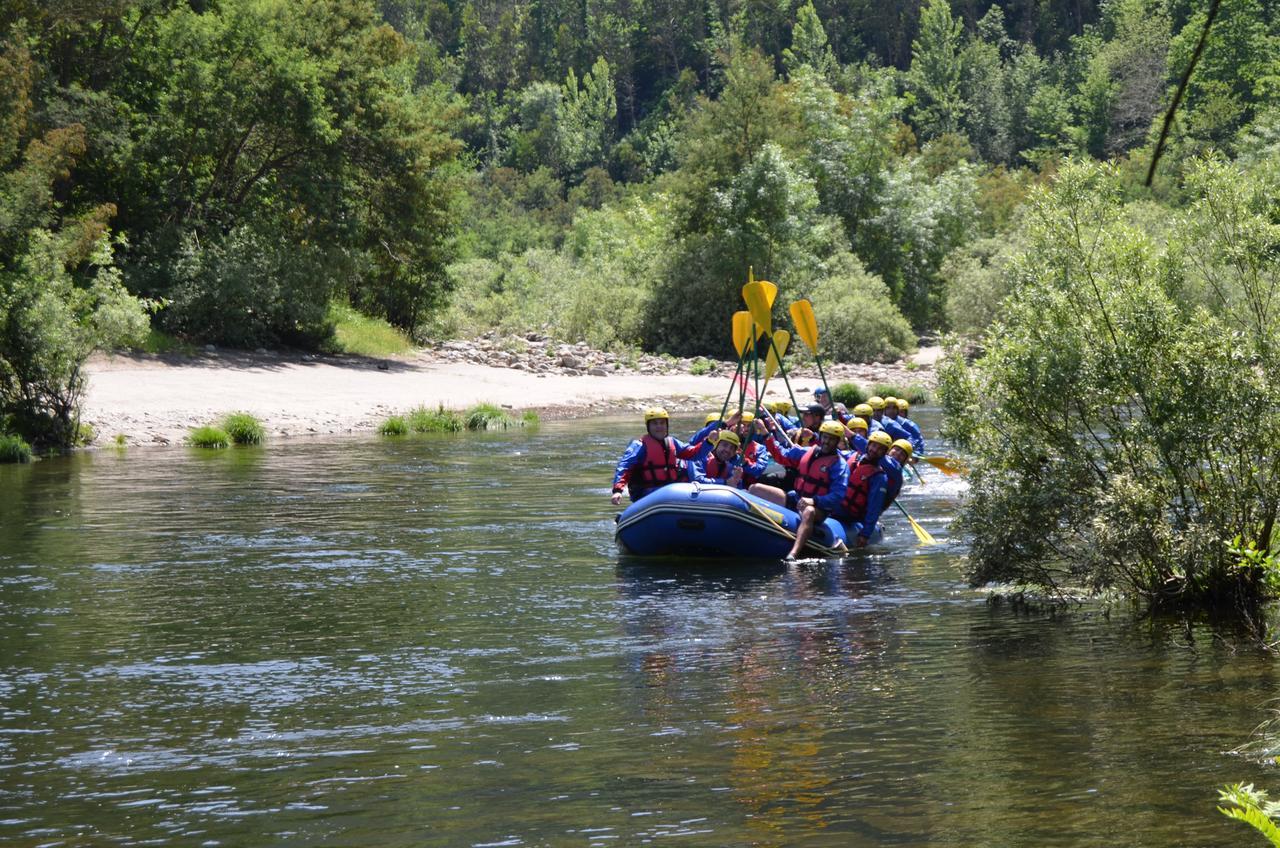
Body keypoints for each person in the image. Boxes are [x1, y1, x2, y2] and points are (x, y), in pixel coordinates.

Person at [750, 419, 849, 560]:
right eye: (825, 437)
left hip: (819, 508)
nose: (827, 441)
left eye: (832, 439)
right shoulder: (807, 451)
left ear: (837, 441)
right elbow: (781, 455)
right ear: (820, 437)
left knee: (808, 511)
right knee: (756, 489)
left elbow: (838, 495)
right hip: (796, 498)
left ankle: (793, 554)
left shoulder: (839, 465)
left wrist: (814, 501)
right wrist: (766, 434)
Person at [611, 407, 706, 504]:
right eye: (655, 423)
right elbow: (624, 467)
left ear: (667, 425)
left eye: (662, 423)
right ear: (648, 426)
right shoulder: (639, 445)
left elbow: (695, 454)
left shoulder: (673, 442)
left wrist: (709, 442)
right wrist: (618, 491)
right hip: (646, 495)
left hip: (671, 492)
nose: (659, 426)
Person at [836, 430, 891, 548]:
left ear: (884, 453)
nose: (875, 450)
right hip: (837, 503)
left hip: (850, 513)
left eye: (880, 449)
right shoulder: (853, 458)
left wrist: (865, 534)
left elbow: (874, 508)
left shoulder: (879, 477)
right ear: (868, 445)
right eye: (874, 445)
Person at [883, 438, 914, 507]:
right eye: (896, 449)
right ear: (889, 450)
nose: (898, 453)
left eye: (902, 454)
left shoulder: (900, 473)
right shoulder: (880, 460)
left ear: (904, 460)